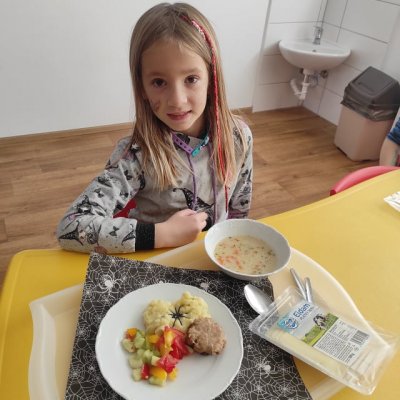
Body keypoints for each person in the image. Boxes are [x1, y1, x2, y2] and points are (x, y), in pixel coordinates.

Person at [56, 2, 253, 254]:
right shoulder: (135, 155)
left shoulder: (239, 137)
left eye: (191, 79)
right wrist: (162, 234)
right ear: (142, 88)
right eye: (159, 82)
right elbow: (71, 226)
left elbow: (239, 212)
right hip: (154, 265)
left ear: (211, 78)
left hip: (213, 258)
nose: (177, 100)